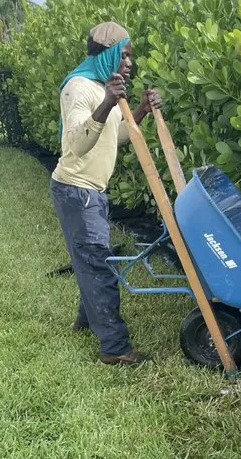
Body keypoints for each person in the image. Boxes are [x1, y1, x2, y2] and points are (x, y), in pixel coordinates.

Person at [50, 21, 162, 366]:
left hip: (90, 192)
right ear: (109, 53)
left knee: (89, 259)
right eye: (125, 56)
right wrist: (108, 102)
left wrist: (140, 108)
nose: (129, 63)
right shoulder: (79, 88)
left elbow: (116, 136)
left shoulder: (103, 86)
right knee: (98, 265)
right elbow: (78, 142)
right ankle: (114, 348)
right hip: (78, 191)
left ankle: (86, 321)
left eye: (130, 57)